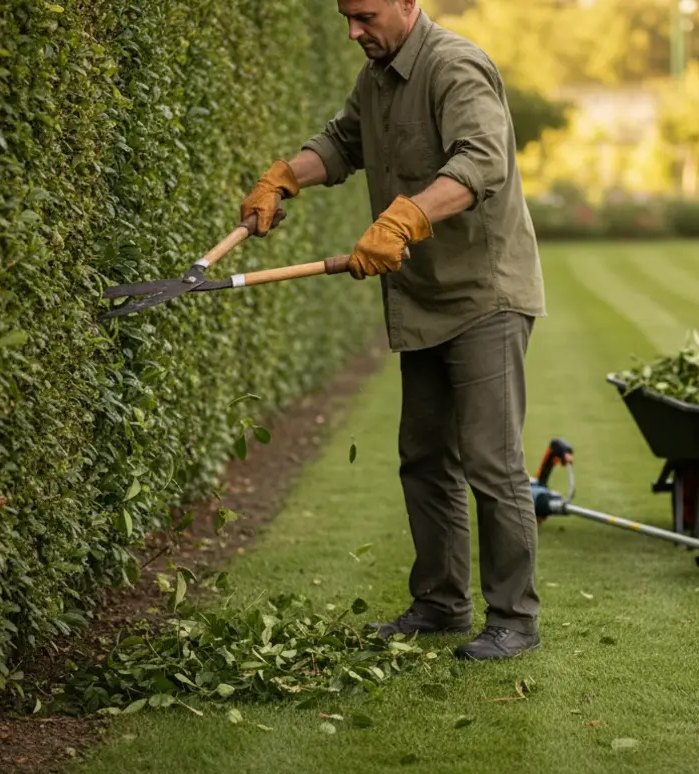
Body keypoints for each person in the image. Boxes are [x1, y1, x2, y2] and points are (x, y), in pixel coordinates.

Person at [239, 0, 546, 661]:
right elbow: (343, 142)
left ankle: (514, 620)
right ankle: (440, 605)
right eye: (346, 17)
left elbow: (481, 161)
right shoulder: (376, 74)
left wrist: (405, 218)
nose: (354, 32)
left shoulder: (454, 67)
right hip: (424, 296)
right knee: (425, 458)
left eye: (367, 15)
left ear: (409, 3)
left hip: (485, 294)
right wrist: (286, 176)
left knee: (492, 464)